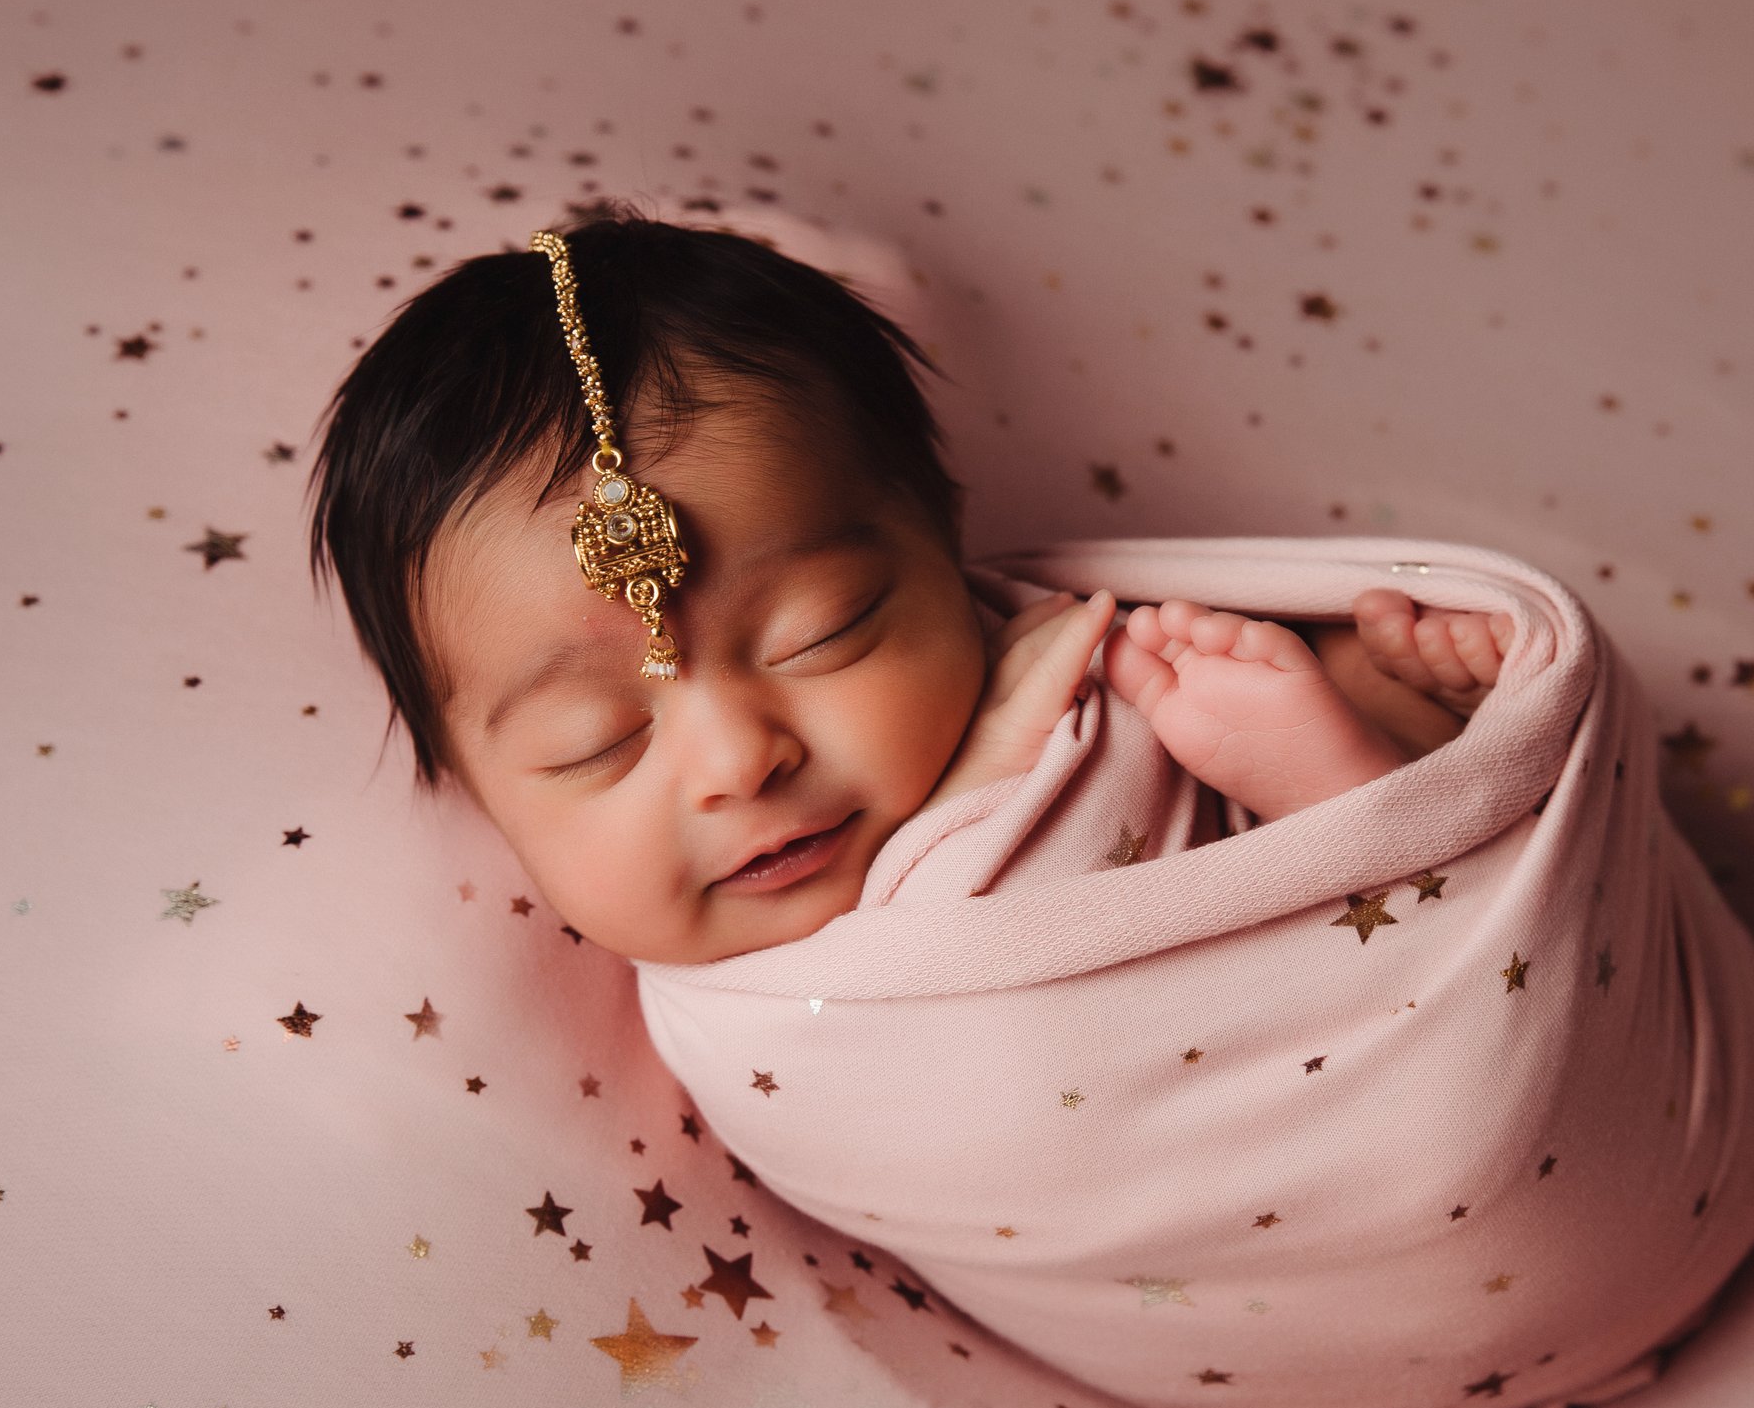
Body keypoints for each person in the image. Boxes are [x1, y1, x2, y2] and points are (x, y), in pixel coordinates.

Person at [306, 210, 1514, 967]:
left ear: (943, 541)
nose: (738, 760)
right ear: (468, 785)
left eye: (820, 633)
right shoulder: (751, 1036)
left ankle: (1359, 803)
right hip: (1245, 1331)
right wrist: (981, 769)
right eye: (597, 741)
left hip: (1524, 1097)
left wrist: (1383, 689)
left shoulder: (1102, 679)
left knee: (1319, 735)